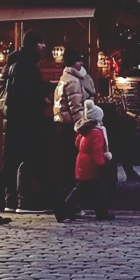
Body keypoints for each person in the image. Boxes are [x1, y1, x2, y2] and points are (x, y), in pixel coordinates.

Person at [0, 30, 70, 225]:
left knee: (22, 169)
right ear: (34, 45)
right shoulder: (25, 67)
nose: (44, 46)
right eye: (41, 43)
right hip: (26, 128)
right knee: (38, 169)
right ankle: (61, 210)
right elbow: (23, 97)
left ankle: (61, 210)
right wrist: (42, 101)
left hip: (19, 127)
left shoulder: (20, 64)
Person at [52, 46, 97, 192]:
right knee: (71, 162)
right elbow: (76, 108)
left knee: (65, 163)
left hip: (63, 125)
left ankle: (67, 193)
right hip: (70, 128)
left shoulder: (67, 78)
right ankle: (71, 195)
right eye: (78, 61)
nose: (81, 63)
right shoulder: (73, 81)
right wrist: (82, 129)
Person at [63, 101, 115, 222]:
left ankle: (68, 208)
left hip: (82, 163)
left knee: (84, 188)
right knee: (97, 190)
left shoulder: (85, 131)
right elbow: (97, 150)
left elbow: (77, 144)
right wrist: (101, 164)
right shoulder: (97, 132)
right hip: (92, 165)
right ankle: (100, 213)